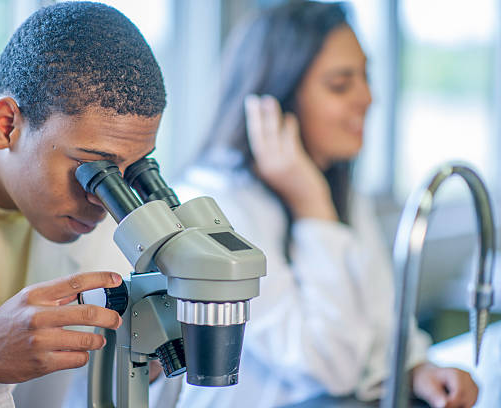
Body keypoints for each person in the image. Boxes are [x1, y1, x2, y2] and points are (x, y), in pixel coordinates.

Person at [170, 2, 479, 407]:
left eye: (365, 76)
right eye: (339, 84)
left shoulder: (340, 191)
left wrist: (415, 368)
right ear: (275, 102)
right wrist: (311, 208)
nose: (368, 98)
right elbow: (328, 364)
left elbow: (376, 325)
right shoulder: (211, 210)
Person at [0, 2, 164, 407]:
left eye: (130, 172)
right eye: (92, 169)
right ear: (6, 125)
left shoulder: (92, 218)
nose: (108, 204)